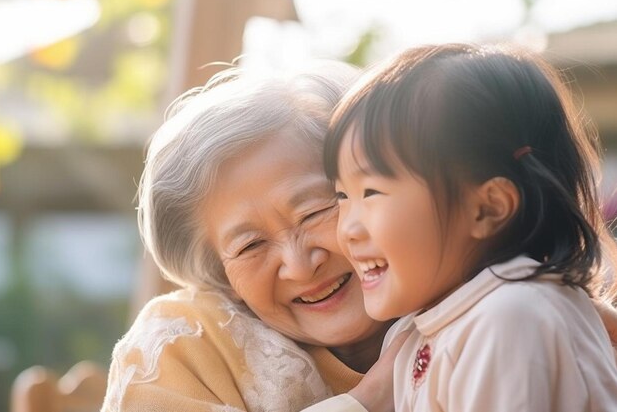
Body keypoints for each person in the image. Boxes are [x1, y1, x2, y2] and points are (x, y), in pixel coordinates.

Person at [101, 57, 617, 412]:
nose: (301, 266)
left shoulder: (494, 301)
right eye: (250, 245)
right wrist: (367, 400)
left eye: (319, 210)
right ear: (219, 273)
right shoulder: (183, 344)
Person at [323, 43, 617, 411]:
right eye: (341, 196)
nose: (347, 229)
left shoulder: (511, 317)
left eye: (371, 192)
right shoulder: (419, 330)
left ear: (487, 208)